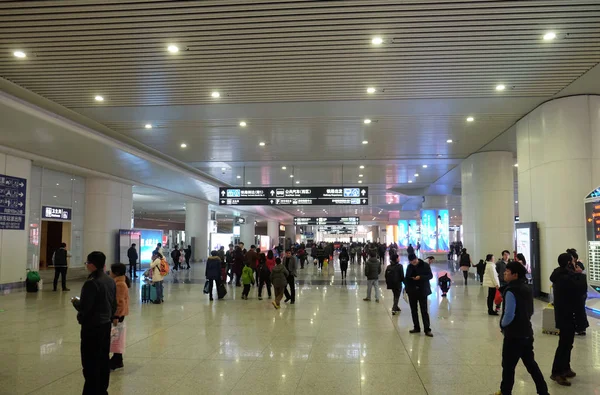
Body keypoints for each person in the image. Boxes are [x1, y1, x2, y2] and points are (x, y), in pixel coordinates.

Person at [493, 261, 549, 395]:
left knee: (508, 366)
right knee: (531, 364)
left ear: (515, 275)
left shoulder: (511, 290)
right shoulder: (527, 288)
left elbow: (509, 314)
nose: (505, 273)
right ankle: (543, 391)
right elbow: (530, 311)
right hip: (527, 333)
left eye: (507, 271)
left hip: (513, 335)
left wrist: (502, 324)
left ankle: (505, 392)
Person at [71, 251, 116, 395]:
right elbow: (113, 304)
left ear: (92, 265)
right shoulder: (109, 280)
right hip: (105, 324)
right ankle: (102, 389)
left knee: (90, 362)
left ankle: (91, 391)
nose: (86, 266)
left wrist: (76, 302)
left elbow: (85, 308)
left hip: (92, 327)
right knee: (103, 358)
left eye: (87, 263)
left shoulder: (91, 283)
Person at [550, 252, 584, 386]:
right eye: (573, 261)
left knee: (568, 344)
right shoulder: (565, 278)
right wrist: (579, 274)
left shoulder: (559, 274)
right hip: (566, 315)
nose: (575, 262)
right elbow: (580, 290)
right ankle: (557, 372)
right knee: (564, 345)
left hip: (565, 314)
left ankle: (565, 368)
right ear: (569, 263)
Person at [404, 253, 433, 337]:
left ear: (417, 258)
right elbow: (406, 278)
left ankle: (427, 329)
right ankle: (416, 327)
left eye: (414, 261)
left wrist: (420, 277)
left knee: (424, 310)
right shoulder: (409, 267)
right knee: (413, 310)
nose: (413, 263)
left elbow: (430, 276)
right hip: (412, 291)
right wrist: (408, 283)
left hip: (422, 290)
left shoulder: (425, 265)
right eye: (411, 262)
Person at [109, 262, 130, 370]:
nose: (110, 273)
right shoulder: (119, 282)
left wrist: (116, 316)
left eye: (111, 271)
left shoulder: (120, 284)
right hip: (118, 314)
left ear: (116, 272)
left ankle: (117, 359)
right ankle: (117, 358)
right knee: (116, 336)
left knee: (116, 336)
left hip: (118, 314)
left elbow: (119, 302)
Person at [567, 248, 589, 336]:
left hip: (580, 292)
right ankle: (578, 327)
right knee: (577, 310)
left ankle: (581, 328)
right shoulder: (569, 266)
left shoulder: (578, 265)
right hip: (576, 291)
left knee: (580, 310)